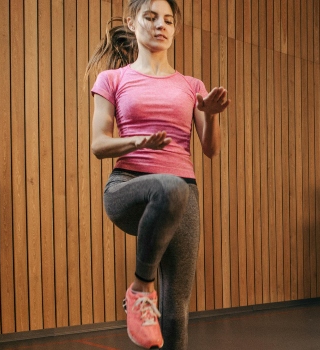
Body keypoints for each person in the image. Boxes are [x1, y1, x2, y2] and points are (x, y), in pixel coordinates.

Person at [86, 0, 229, 348]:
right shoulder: (113, 79)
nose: (160, 25)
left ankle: (145, 306)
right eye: (150, 18)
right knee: (169, 187)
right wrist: (138, 141)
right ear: (132, 22)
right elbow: (99, 144)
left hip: (183, 195)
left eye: (167, 20)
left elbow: (211, 150)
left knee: (176, 311)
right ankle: (141, 287)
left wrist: (210, 115)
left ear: (174, 29)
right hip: (128, 187)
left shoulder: (192, 85)